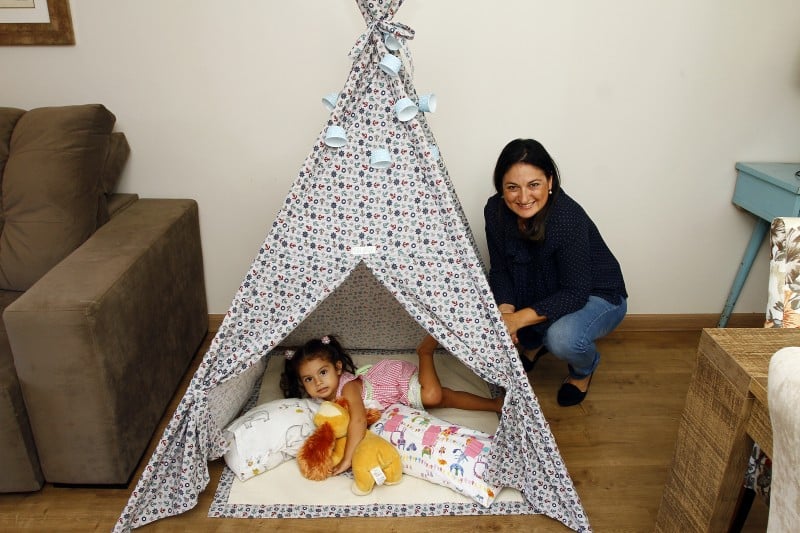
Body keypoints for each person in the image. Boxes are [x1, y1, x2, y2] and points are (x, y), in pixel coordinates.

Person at [484, 138, 627, 407]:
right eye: (512, 187)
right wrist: (505, 314)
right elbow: (501, 269)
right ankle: (536, 342)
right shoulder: (495, 211)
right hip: (547, 289)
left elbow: (575, 292)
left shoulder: (566, 217)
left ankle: (583, 371)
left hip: (597, 294)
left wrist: (517, 320)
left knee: (562, 339)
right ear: (501, 188)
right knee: (500, 318)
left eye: (533, 185)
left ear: (550, 181)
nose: (524, 198)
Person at [280, 334, 503, 475]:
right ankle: (494, 404)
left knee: (433, 396)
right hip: (394, 399)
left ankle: (424, 352)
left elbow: (357, 420)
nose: (318, 382)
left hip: (396, 383)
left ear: (338, 368)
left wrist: (348, 458)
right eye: (309, 379)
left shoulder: (347, 388)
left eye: (323, 372)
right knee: (447, 397)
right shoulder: (320, 401)